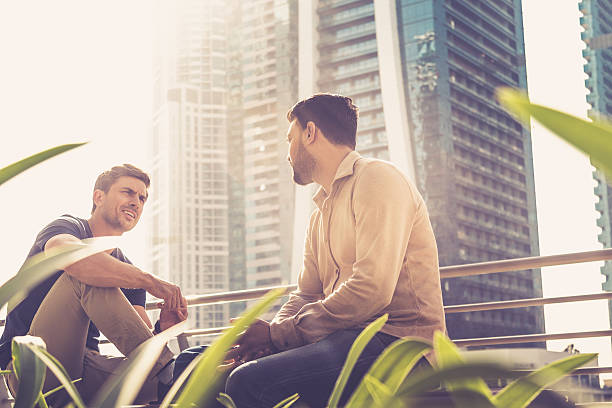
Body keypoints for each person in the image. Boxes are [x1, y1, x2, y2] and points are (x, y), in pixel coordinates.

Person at [170, 94, 446, 407]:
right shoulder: (320, 213)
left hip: (397, 345)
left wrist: (278, 337)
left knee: (248, 379)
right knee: (191, 364)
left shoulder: (378, 179)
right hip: (338, 338)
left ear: (310, 133)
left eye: (290, 138)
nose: (287, 152)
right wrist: (273, 336)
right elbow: (305, 293)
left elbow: (373, 290)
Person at [0, 164, 188, 404]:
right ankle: (168, 372)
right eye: (128, 192)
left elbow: (139, 342)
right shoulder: (68, 227)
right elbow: (69, 256)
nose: (136, 202)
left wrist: (162, 331)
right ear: (99, 196)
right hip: (31, 364)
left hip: (86, 368)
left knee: (179, 382)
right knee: (85, 270)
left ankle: (179, 376)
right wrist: (150, 281)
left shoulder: (127, 271)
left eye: (142, 198)